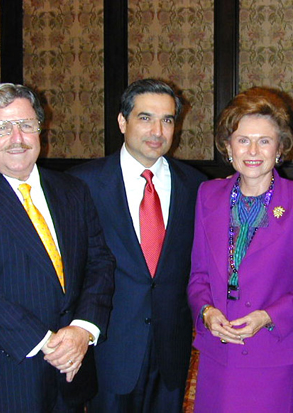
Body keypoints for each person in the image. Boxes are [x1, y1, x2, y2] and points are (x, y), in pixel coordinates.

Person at [0, 83, 116, 412]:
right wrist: (50, 345)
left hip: (74, 364)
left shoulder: (72, 190)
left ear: (40, 131)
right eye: (2, 128)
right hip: (5, 372)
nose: (17, 139)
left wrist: (82, 329)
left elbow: (99, 263)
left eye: (27, 125)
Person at [69, 78, 206, 412]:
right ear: (122, 121)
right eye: (145, 117)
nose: (157, 130)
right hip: (109, 344)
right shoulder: (81, 184)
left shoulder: (196, 186)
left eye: (168, 120)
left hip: (170, 346)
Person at [187, 87, 293, 412]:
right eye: (243, 140)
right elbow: (198, 274)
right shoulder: (208, 195)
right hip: (218, 348)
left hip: (270, 349)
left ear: (281, 147)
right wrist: (206, 312)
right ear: (228, 146)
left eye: (264, 140)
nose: (253, 150)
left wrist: (267, 317)